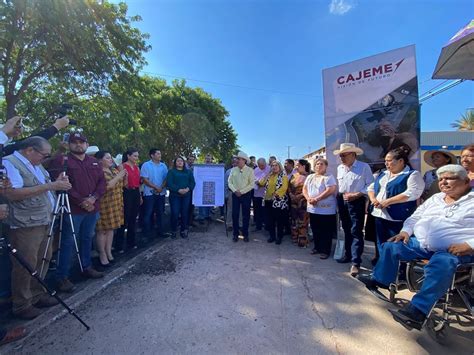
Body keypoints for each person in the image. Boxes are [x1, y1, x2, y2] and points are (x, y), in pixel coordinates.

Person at [359, 165, 474, 330]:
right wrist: (405, 231)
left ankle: (418, 311)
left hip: (455, 250)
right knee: (392, 246)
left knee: (441, 263)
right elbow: (415, 217)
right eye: (441, 179)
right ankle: (381, 279)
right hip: (423, 243)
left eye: (449, 178)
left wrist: (469, 245)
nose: (444, 182)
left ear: (466, 181)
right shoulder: (436, 198)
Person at [3, 136, 72, 318]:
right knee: (25, 263)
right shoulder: (10, 164)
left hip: (43, 219)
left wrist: (55, 182)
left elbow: (42, 186)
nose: (46, 158)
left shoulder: (35, 164)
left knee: (43, 258)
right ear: (29, 150)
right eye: (44, 154)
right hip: (26, 223)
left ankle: (37, 294)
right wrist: (52, 185)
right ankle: (22, 303)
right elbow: (12, 194)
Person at [49, 132, 106, 292]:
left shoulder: (94, 162)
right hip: (73, 209)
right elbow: (62, 184)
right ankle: (62, 277)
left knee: (87, 238)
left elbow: (102, 182)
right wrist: (81, 201)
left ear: (87, 145)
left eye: (81, 142)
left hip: (92, 208)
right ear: (69, 145)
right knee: (68, 242)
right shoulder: (62, 161)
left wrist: (93, 199)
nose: (78, 145)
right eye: (74, 142)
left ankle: (86, 267)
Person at [367, 148, 424, 259]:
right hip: (379, 215)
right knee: (381, 243)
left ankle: (399, 272)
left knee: (397, 245)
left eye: (389, 160)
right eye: (385, 161)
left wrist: (388, 201)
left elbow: (412, 193)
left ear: (401, 161)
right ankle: (381, 269)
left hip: (397, 217)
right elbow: (371, 188)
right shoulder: (383, 174)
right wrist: (373, 199)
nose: (386, 163)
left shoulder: (412, 175)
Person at [334, 143, 374, 276]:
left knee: (356, 231)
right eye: (340, 155)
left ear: (352, 154)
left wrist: (357, 194)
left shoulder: (363, 167)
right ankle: (348, 254)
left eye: (343, 155)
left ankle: (356, 262)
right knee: (345, 229)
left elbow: (370, 185)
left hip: (356, 200)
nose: (341, 158)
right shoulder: (340, 168)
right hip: (342, 199)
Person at [94, 151, 127, 267]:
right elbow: (106, 187)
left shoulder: (114, 170)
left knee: (111, 229)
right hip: (104, 205)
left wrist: (123, 174)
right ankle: (102, 254)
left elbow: (123, 184)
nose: (110, 160)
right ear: (99, 160)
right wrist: (119, 176)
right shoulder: (98, 172)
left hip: (115, 203)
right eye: (107, 158)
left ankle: (108, 251)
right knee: (102, 230)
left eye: (110, 158)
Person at [303, 158, 337, 259]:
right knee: (315, 229)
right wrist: (308, 198)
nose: (319, 166)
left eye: (321, 164)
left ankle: (325, 250)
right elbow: (304, 189)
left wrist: (317, 199)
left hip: (326, 209)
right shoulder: (310, 176)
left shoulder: (329, 177)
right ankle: (317, 247)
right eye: (317, 164)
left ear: (326, 166)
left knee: (326, 230)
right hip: (313, 208)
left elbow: (330, 190)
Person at [116, 148, 141, 251]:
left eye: (137, 156)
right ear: (128, 156)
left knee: (133, 218)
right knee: (124, 218)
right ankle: (119, 245)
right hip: (126, 192)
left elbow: (138, 183)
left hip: (135, 192)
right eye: (134, 156)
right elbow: (119, 182)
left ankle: (131, 242)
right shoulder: (122, 166)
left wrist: (139, 196)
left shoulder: (137, 167)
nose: (136, 158)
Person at [141, 149, 168, 240]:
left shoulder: (163, 166)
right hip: (149, 193)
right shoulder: (146, 165)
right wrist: (156, 187)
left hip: (161, 193)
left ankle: (160, 232)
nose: (160, 155)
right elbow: (145, 179)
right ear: (152, 155)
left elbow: (166, 178)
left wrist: (161, 188)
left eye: (160, 153)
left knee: (160, 213)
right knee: (148, 213)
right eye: (158, 153)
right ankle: (146, 234)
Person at [259, 160, 289, 245]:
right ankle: (272, 236)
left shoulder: (283, 175)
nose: (274, 167)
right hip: (268, 200)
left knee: (279, 221)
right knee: (270, 220)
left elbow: (284, 187)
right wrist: (267, 174)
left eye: (276, 165)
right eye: (272, 166)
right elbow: (261, 183)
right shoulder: (269, 175)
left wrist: (276, 194)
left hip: (278, 201)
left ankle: (279, 237)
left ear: (279, 166)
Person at [228, 151, 254, 242]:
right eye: (237, 159)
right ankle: (235, 234)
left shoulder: (250, 170)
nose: (237, 160)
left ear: (244, 160)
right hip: (235, 195)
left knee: (245, 215)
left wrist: (242, 192)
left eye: (238, 159)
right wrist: (235, 191)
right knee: (235, 214)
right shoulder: (233, 169)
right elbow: (229, 182)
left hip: (246, 195)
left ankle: (245, 234)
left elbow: (251, 184)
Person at [166, 156, 195, 238]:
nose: (180, 162)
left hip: (186, 195)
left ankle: (183, 230)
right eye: (178, 161)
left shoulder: (188, 172)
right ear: (175, 163)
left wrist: (188, 189)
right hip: (175, 196)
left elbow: (192, 182)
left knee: (184, 213)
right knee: (175, 213)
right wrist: (178, 190)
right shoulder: (171, 172)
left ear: (184, 163)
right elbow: (169, 183)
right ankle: (174, 230)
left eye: (181, 161)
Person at [289, 159, 311, 247]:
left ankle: (302, 241)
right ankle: (294, 237)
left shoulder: (309, 176)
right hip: (293, 202)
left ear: (304, 166)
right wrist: (291, 194)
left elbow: (310, 189)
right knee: (293, 220)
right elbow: (289, 187)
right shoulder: (293, 176)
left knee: (303, 221)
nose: (296, 167)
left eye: (298, 165)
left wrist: (300, 195)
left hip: (303, 202)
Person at [253, 158, 270, 231]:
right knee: (257, 211)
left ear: (265, 163)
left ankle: (267, 226)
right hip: (257, 194)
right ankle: (258, 226)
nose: (261, 167)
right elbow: (252, 179)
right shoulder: (255, 170)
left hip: (267, 194)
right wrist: (256, 182)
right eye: (259, 165)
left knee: (266, 211)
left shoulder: (270, 169)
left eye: (262, 165)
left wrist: (263, 184)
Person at [196, 154, 214, 223]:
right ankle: (201, 216)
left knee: (209, 202)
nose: (208, 160)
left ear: (211, 160)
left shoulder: (214, 168)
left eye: (209, 158)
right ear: (204, 159)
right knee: (201, 202)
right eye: (206, 158)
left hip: (210, 186)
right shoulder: (200, 167)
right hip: (201, 186)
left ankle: (208, 215)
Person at [224, 157, 238, 230]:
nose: (235, 163)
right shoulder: (228, 172)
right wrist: (226, 194)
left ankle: (239, 224)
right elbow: (225, 183)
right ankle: (229, 224)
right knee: (230, 209)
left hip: (240, 193)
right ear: (232, 163)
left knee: (240, 209)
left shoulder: (242, 171)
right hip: (231, 192)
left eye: (236, 162)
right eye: (234, 162)